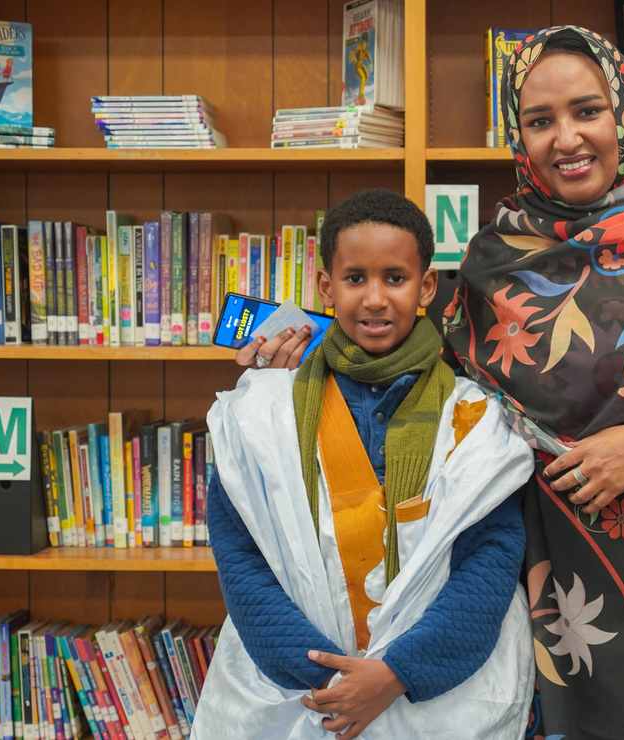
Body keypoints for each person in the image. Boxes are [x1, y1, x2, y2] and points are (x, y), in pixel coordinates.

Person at [241, 25, 624, 740]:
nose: (566, 138)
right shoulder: (495, 259)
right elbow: (426, 370)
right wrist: (308, 352)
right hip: (550, 593)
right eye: (540, 121)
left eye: (587, 111)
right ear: (519, 138)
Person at [197, 188, 535, 740]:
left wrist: (394, 675)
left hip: (435, 691)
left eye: (395, 279)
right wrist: (332, 682)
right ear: (326, 288)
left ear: (426, 287)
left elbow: (490, 562)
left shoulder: (475, 416)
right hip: (298, 692)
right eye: (355, 279)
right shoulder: (263, 410)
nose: (375, 298)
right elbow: (240, 556)